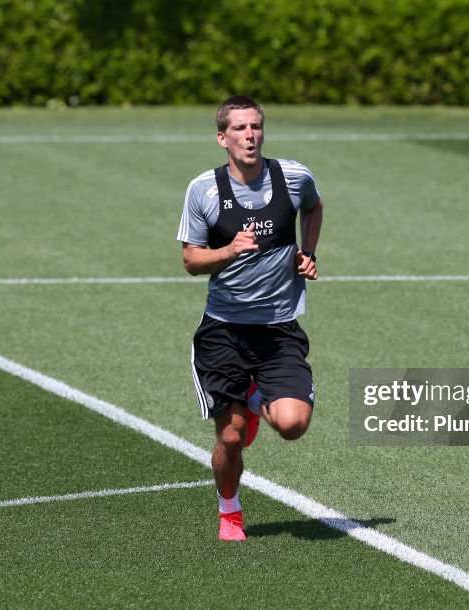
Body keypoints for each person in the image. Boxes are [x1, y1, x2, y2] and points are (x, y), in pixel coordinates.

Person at [176, 95, 324, 541]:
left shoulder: (294, 177)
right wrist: (228, 250)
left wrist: (308, 252)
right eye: (239, 128)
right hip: (224, 331)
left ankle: (257, 398)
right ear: (222, 138)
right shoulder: (203, 189)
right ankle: (230, 510)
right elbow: (190, 260)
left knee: (294, 425)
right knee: (233, 437)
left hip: (279, 328)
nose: (250, 135)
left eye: (256, 126)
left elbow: (313, 207)